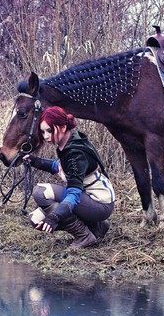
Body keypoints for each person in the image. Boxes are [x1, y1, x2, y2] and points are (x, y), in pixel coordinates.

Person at [24, 106, 115, 249]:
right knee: (35, 219)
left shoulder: (75, 154)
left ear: (63, 127)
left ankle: (84, 235)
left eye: (49, 130)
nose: (46, 136)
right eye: (43, 132)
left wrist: (54, 217)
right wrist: (35, 161)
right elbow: (59, 167)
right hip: (92, 199)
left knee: (40, 191)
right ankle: (96, 226)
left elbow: (74, 194)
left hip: (99, 202)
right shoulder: (70, 141)